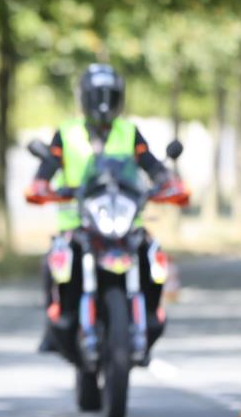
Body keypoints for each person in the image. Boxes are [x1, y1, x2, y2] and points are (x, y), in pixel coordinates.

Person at [29, 64, 171, 359]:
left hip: (125, 219)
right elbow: (48, 168)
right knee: (52, 263)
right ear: (85, 97)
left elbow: (152, 165)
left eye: (110, 95)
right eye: (97, 95)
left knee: (151, 253)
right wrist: (40, 185)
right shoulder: (67, 133)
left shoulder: (129, 132)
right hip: (78, 220)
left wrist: (166, 181)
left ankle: (151, 314)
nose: (104, 102)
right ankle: (53, 324)